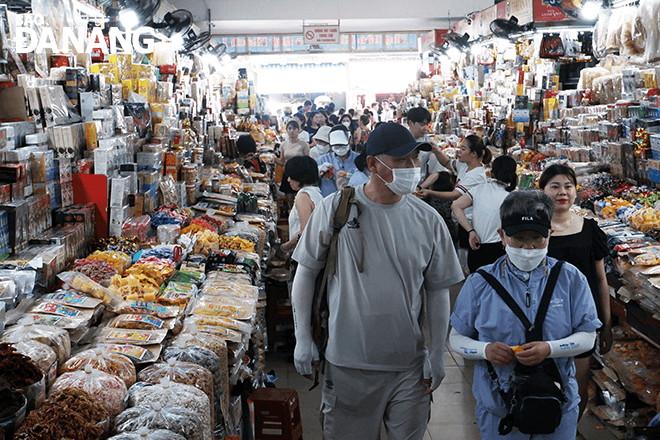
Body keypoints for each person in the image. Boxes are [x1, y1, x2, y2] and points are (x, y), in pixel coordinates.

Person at [291, 122, 464, 440]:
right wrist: (303, 338)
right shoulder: (336, 209)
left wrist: (437, 354)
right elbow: (305, 272)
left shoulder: (428, 220)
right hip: (347, 363)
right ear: (372, 164)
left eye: (414, 160)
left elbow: (438, 291)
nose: (412, 168)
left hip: (409, 368)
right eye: (401, 161)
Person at [449, 190, 601, 440]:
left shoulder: (570, 278)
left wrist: (550, 348)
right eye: (518, 239)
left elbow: (588, 337)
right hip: (499, 408)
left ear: (549, 235)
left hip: (557, 406)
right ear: (502, 236)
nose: (528, 247)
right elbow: (456, 338)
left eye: (537, 238)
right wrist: (484, 350)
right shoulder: (480, 282)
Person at [539, 163, 612, 427]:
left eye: (568, 186)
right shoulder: (536, 232)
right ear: (543, 190)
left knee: (578, 383)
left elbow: (600, 279)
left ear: (575, 190)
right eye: (555, 186)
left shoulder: (589, 228)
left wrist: (605, 324)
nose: (562, 192)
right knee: (546, 379)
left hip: (582, 319)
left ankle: (568, 429)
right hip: (544, 319)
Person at [420, 134, 491, 271]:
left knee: (467, 256)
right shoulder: (465, 165)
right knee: (462, 251)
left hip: (470, 221)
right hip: (462, 219)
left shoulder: (476, 175)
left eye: (463, 149)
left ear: (473, 154)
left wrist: (429, 192)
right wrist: (436, 151)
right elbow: (447, 163)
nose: (459, 151)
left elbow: (454, 195)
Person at [451, 155, 518, 273]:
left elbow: (456, 206)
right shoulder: (512, 197)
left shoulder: (479, 189)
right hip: (501, 252)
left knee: (478, 286)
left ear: (492, 173)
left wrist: (471, 232)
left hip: (477, 248)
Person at [281, 156, 323, 252]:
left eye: (291, 177)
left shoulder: (303, 197)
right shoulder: (315, 192)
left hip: (305, 252)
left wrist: (285, 247)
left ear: (300, 177)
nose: (288, 180)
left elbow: (304, 232)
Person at [407, 107, 445, 191]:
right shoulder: (400, 141)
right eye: (422, 124)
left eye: (427, 124)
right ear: (410, 123)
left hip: (418, 188)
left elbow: (435, 172)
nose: (426, 128)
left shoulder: (430, 144)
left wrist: (420, 188)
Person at [316, 125, 360, 197]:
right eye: (336, 146)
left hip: (354, 199)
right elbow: (309, 182)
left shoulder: (359, 159)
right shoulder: (322, 160)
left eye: (343, 146)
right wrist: (317, 172)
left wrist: (356, 178)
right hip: (328, 202)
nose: (340, 149)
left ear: (350, 140)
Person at [276, 119, 310, 208]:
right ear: (286, 130)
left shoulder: (304, 144)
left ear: (298, 130)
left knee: (300, 201)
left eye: (294, 128)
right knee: (290, 203)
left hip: (300, 174)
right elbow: (282, 162)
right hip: (287, 174)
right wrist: (273, 159)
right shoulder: (283, 145)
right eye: (289, 128)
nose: (292, 131)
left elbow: (307, 161)